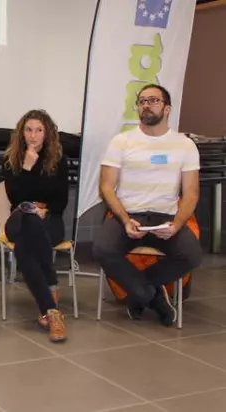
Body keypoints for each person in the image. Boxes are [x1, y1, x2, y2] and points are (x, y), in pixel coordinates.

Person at [93, 84, 202, 327]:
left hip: (166, 218)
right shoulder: (122, 141)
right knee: (102, 249)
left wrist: (175, 225)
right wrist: (123, 218)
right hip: (128, 215)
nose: (146, 105)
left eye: (153, 100)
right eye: (142, 101)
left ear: (167, 108)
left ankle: (142, 290)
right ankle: (149, 296)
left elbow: (192, 193)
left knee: (192, 255)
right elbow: (107, 187)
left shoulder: (184, 145)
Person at [2, 109, 69, 343]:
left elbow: (62, 200)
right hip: (19, 218)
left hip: (50, 219)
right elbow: (15, 196)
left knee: (23, 249)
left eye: (38, 130)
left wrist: (45, 209)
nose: (33, 136)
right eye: (28, 130)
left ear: (47, 133)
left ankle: (49, 310)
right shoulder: (12, 159)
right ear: (22, 133)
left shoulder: (59, 160)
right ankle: (51, 285)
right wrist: (28, 168)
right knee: (29, 218)